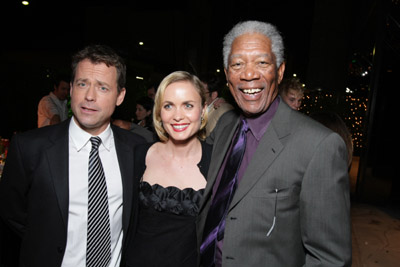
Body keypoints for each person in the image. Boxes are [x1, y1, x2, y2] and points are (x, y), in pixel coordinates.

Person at [198, 20, 351, 267]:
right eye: (237, 64)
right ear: (227, 76)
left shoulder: (319, 145)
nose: (249, 74)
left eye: (262, 62)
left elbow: (330, 259)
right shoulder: (225, 127)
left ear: (279, 72)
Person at [0, 44, 146, 267]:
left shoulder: (136, 149)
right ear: (70, 89)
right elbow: (12, 213)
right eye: (82, 84)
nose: (89, 96)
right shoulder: (30, 147)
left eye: (103, 88)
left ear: (120, 96)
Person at [122, 71, 212, 267]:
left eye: (188, 105)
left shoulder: (218, 162)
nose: (178, 116)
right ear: (158, 112)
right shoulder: (138, 155)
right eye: (168, 106)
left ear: (203, 110)